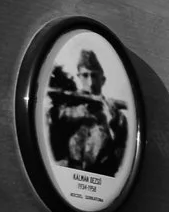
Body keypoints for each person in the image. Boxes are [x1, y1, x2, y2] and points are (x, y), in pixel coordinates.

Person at [48, 48, 128, 176]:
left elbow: (121, 164)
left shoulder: (119, 118)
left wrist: (110, 121)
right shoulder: (65, 111)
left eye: (94, 75)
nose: (90, 83)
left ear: (103, 80)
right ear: (79, 77)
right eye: (85, 75)